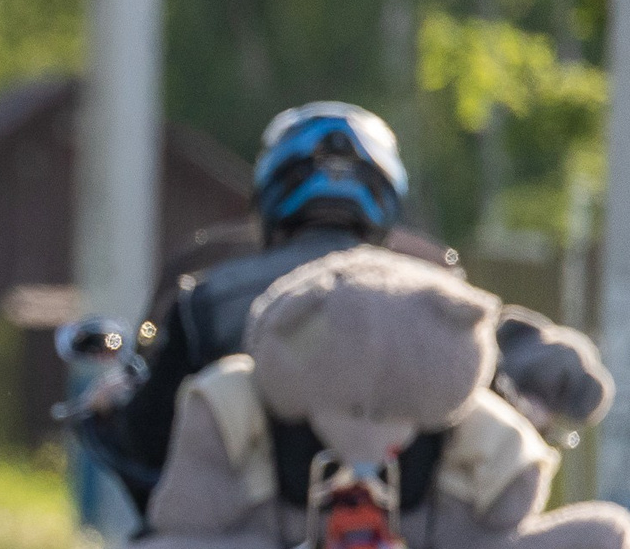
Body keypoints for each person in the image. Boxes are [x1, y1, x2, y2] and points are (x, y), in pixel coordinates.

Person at [90, 101, 609, 514]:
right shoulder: (440, 290)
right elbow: (486, 397)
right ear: (386, 189)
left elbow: (153, 438)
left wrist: (109, 411)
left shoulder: (208, 295)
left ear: (271, 188)